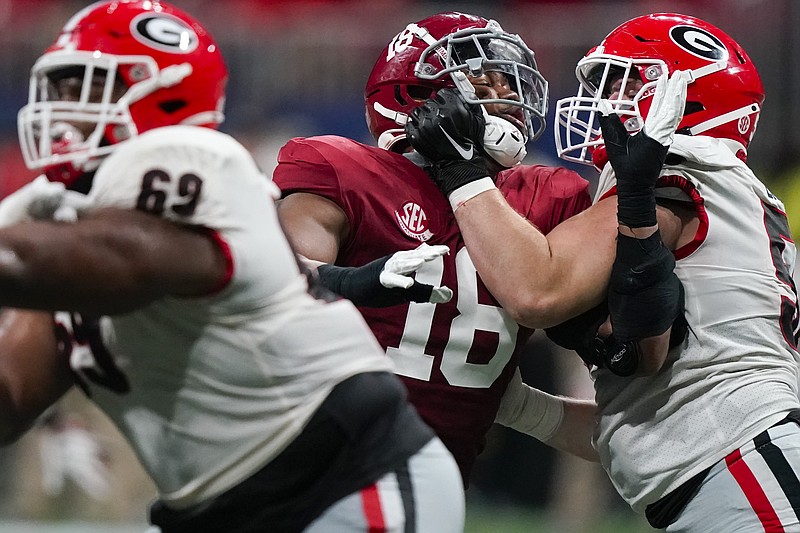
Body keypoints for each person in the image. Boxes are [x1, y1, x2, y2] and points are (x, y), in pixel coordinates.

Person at [0, 2, 467, 532]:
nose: (61, 110)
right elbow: (13, 392)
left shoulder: (200, 164)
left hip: (343, 479)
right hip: (210, 508)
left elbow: (119, 264)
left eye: (81, 88)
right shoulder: (54, 216)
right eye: (58, 91)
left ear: (162, 90)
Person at [407, 11, 800, 531]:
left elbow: (537, 289)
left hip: (748, 473)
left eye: (627, 82)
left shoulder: (679, 173)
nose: (604, 101)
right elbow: (647, 425)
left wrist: (462, 172)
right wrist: (517, 406)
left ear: (689, 98)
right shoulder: (730, 189)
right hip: (741, 466)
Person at [272, 11, 597, 484]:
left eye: (511, 91)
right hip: (312, 457)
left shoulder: (546, 195)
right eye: (483, 89)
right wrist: (349, 280)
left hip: (441, 471)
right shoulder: (344, 170)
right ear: (415, 99)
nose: (508, 104)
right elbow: (275, 282)